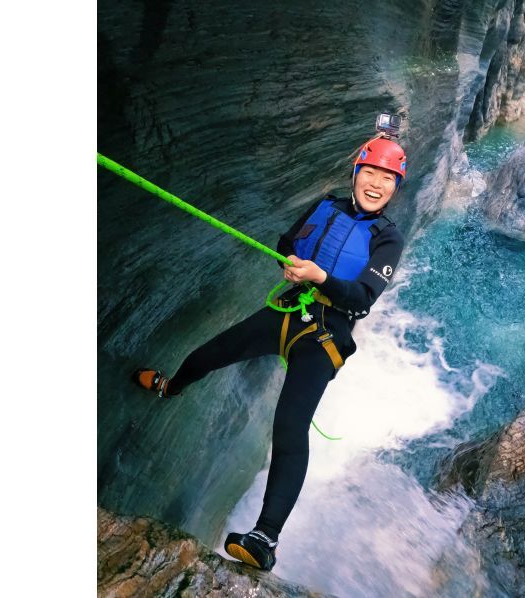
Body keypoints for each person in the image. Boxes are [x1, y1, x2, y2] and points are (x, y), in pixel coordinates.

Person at [132, 133, 407, 571]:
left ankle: (264, 538)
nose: (376, 184)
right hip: (288, 310)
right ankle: (170, 387)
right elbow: (287, 242)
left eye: (387, 178)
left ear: (396, 187)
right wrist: (289, 263)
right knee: (210, 353)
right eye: (370, 172)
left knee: (290, 425)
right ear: (355, 173)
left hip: (325, 334)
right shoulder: (325, 206)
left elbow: (362, 299)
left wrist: (319, 277)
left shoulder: (387, 239)